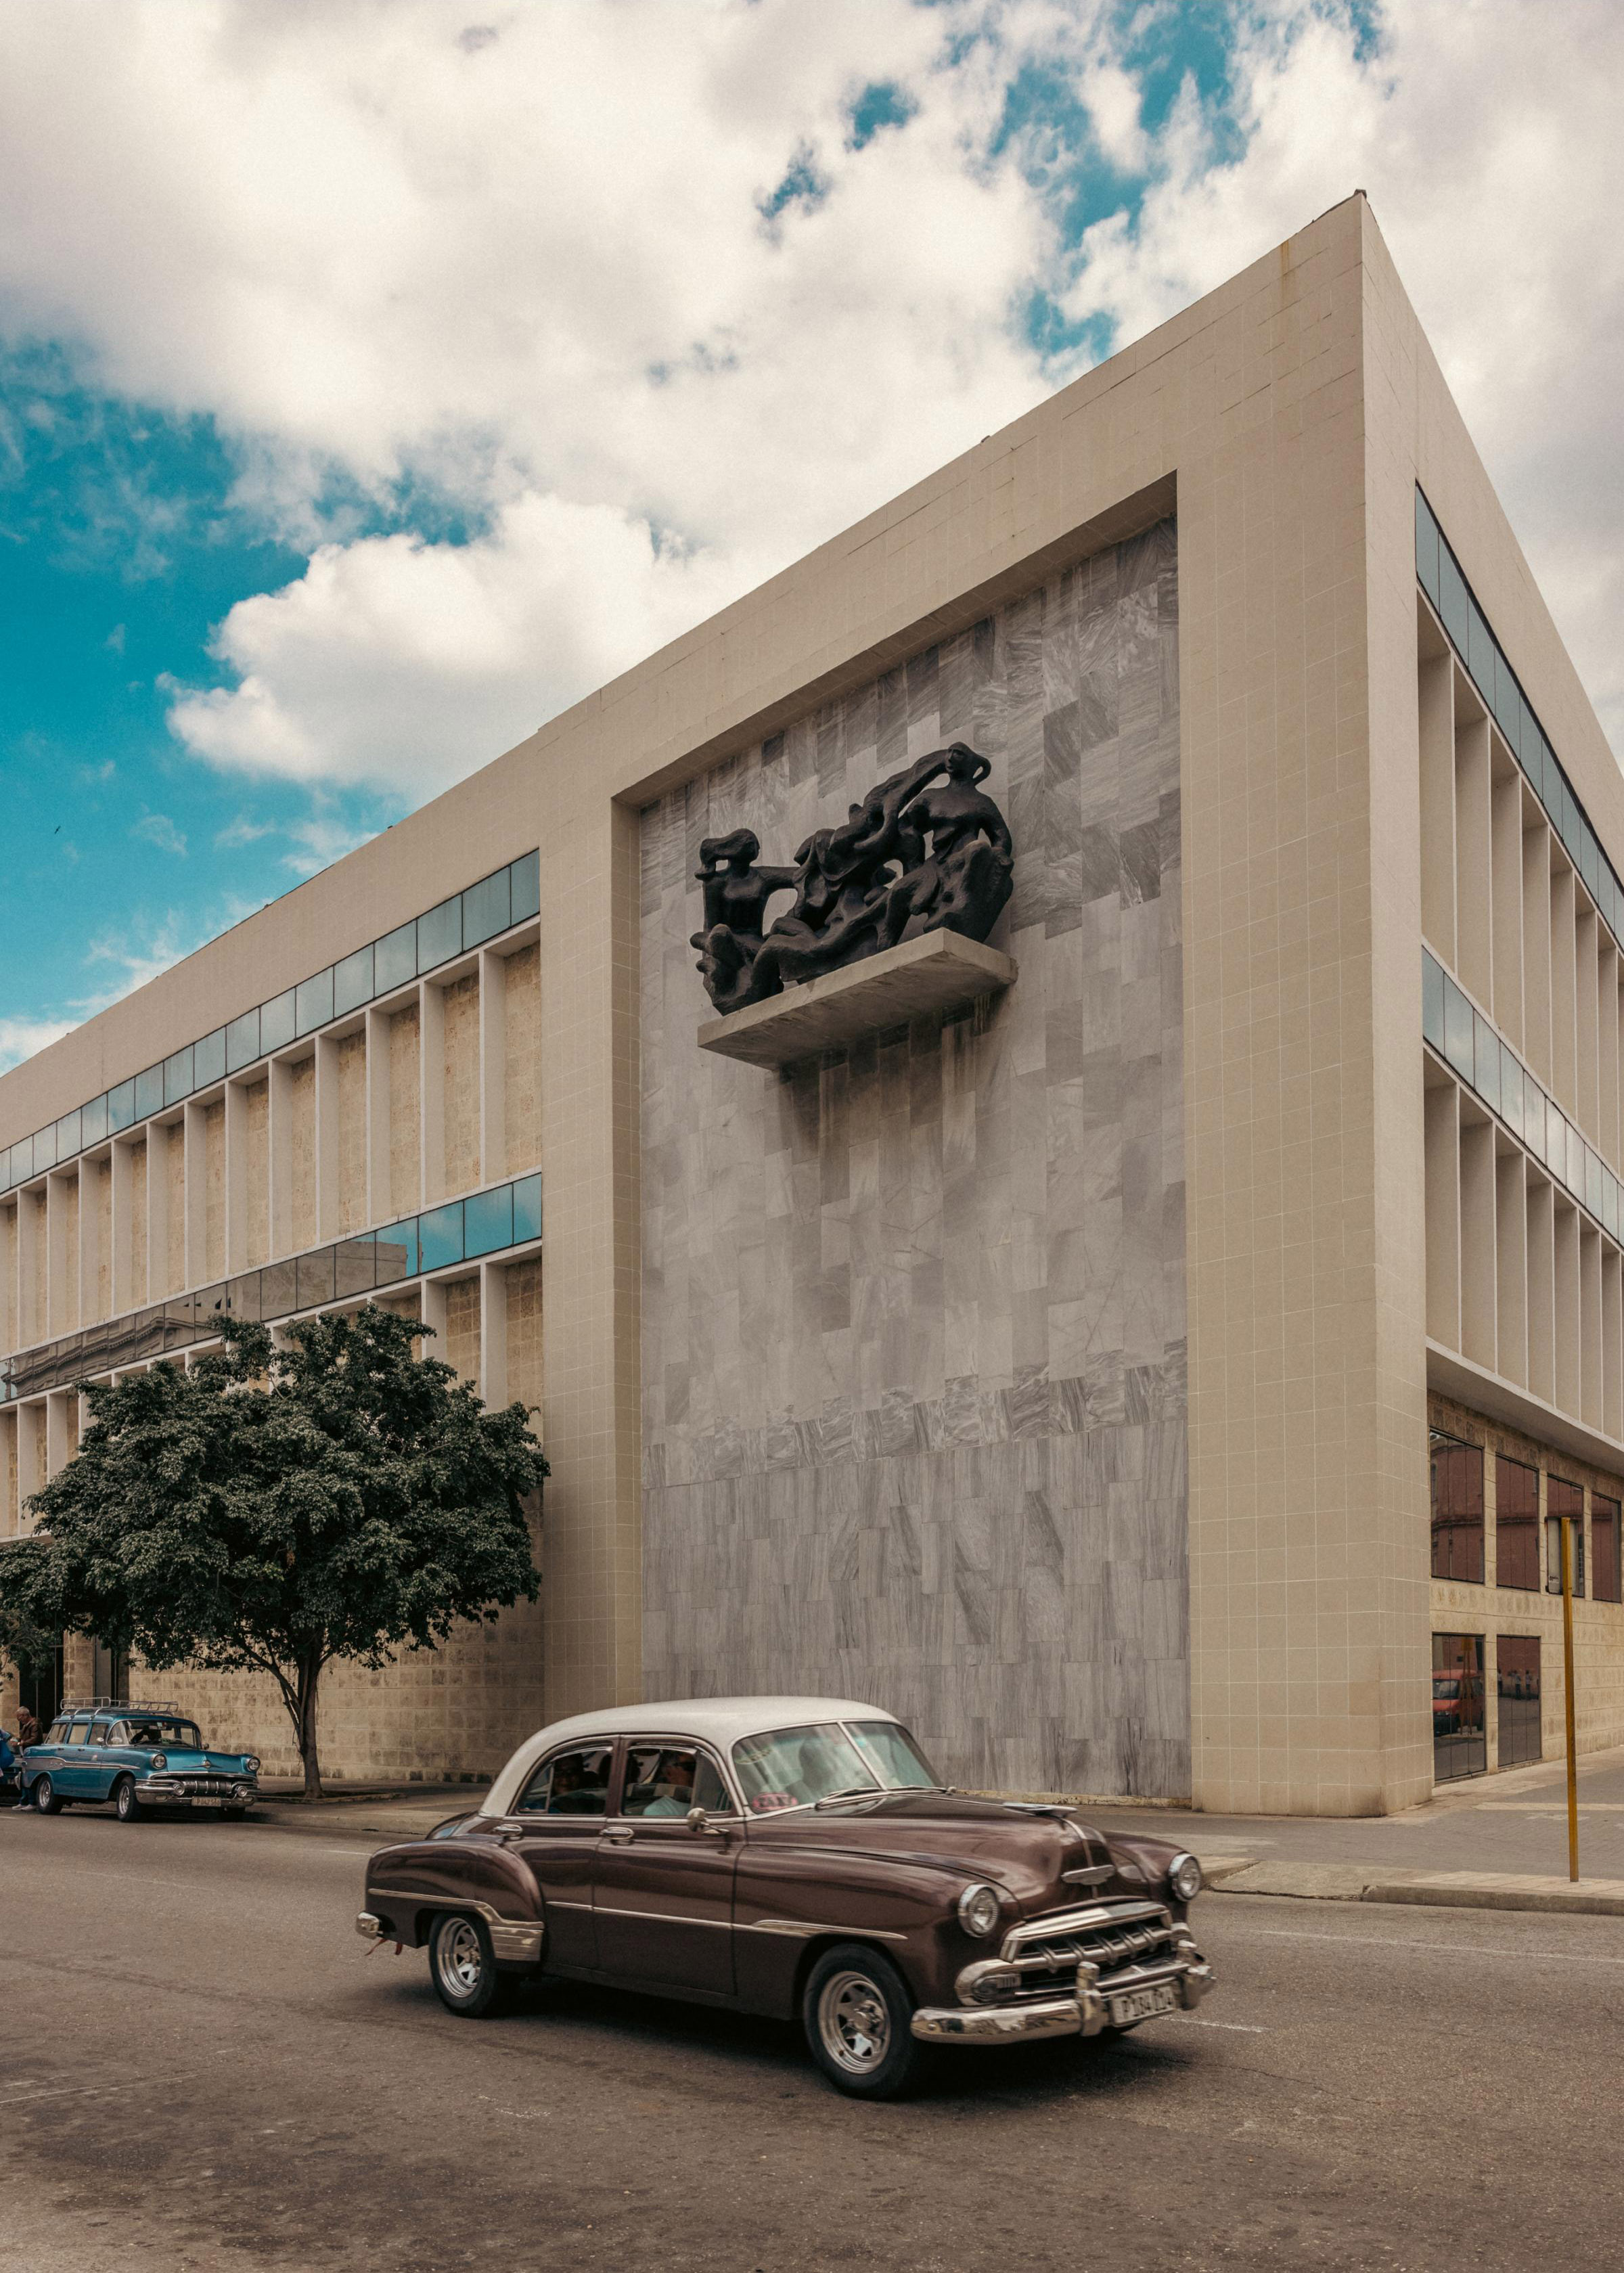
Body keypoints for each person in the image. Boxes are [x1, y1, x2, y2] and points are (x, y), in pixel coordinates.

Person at [641, 1753, 697, 1818]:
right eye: (689, 1767)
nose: (695, 1772)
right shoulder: (657, 1810)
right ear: (669, 1773)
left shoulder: (707, 1804)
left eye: (697, 1767)